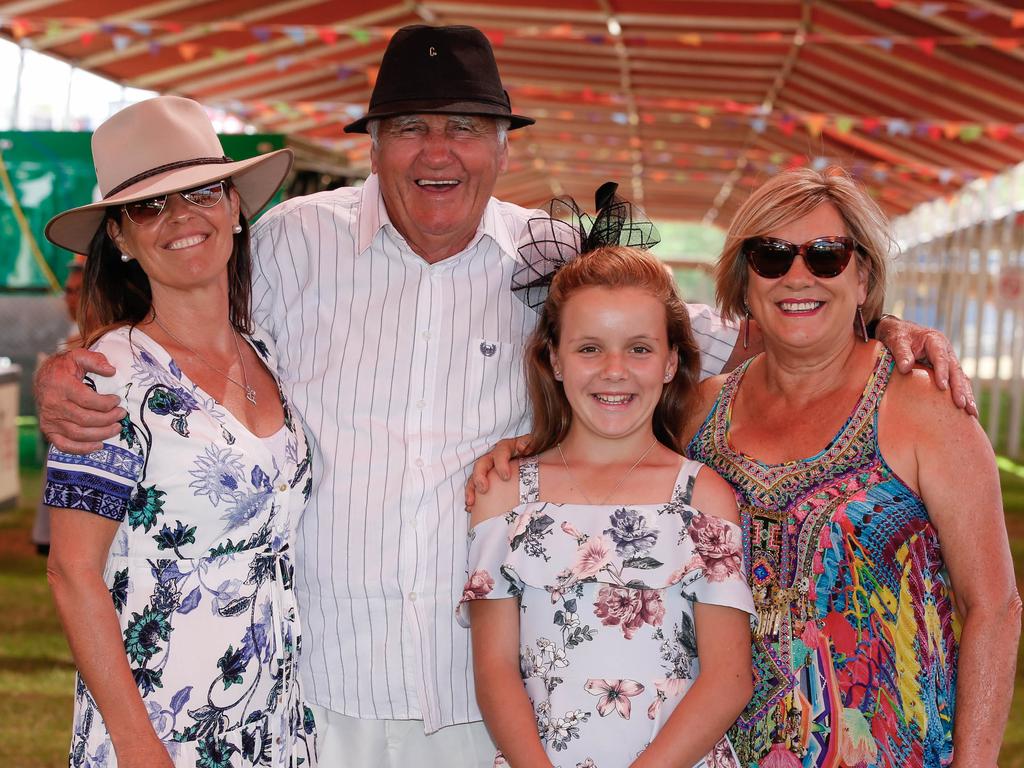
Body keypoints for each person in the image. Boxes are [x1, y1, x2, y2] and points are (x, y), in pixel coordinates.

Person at [35, 25, 974, 767]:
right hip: (314, 696)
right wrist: (64, 366)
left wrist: (873, 330)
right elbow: (176, 323)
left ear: (501, 146)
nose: (437, 151)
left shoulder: (551, 260)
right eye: (410, 127)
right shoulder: (288, 247)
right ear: (374, 146)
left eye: (466, 127)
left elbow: (696, 331)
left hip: (486, 701)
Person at [682, 166, 1019, 766]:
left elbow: (993, 605)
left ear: (862, 276)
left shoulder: (925, 407)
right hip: (715, 751)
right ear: (744, 278)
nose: (798, 276)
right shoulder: (701, 410)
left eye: (826, 256)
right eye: (772, 256)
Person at [41, 95, 315, 766]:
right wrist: (139, 746)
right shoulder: (110, 379)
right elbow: (72, 571)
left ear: (235, 208)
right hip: (158, 734)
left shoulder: (271, 355)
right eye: (149, 207)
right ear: (120, 239)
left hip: (272, 727)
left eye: (200, 193)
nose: (181, 219)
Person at [461, 243, 755, 767]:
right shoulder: (504, 493)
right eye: (590, 348)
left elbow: (729, 678)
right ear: (554, 358)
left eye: (639, 349)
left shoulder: (704, 496)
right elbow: (494, 669)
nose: (614, 370)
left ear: (671, 362)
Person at [32, 254, 86, 556]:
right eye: (67, 291)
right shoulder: (73, 335)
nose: (69, 298)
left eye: (74, 291)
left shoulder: (94, 341)